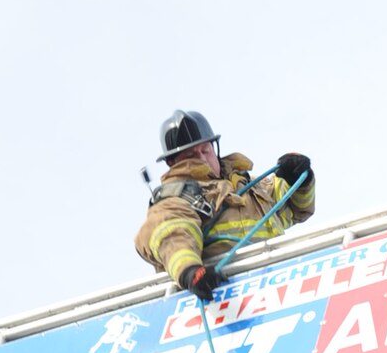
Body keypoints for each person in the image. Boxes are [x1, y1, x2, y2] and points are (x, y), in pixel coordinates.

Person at [135, 110, 315, 300]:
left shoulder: (250, 185)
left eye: (205, 150)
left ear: (214, 147)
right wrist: (190, 272)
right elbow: (171, 234)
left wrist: (299, 178)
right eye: (191, 155)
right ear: (172, 162)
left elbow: (296, 210)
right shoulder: (174, 200)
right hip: (224, 296)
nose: (203, 158)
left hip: (279, 283)